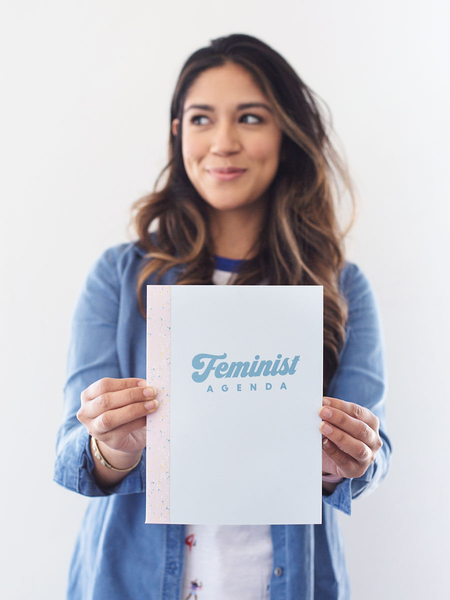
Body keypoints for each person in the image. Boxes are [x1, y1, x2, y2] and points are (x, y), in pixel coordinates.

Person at [54, 33, 391, 599]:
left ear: (288, 134)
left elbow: (374, 455)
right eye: (202, 118)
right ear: (178, 133)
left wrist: (342, 460)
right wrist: (114, 445)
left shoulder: (341, 287)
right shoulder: (118, 276)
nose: (224, 142)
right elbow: (72, 454)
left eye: (252, 118)